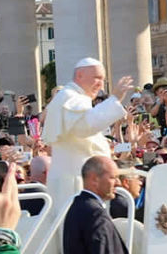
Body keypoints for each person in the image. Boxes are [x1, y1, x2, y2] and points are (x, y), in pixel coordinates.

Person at [41, 57, 133, 206]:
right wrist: (114, 99)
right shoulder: (70, 97)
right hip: (75, 182)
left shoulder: (71, 97)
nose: (100, 84)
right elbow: (85, 126)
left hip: (78, 179)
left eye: (103, 79)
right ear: (79, 75)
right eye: (96, 77)